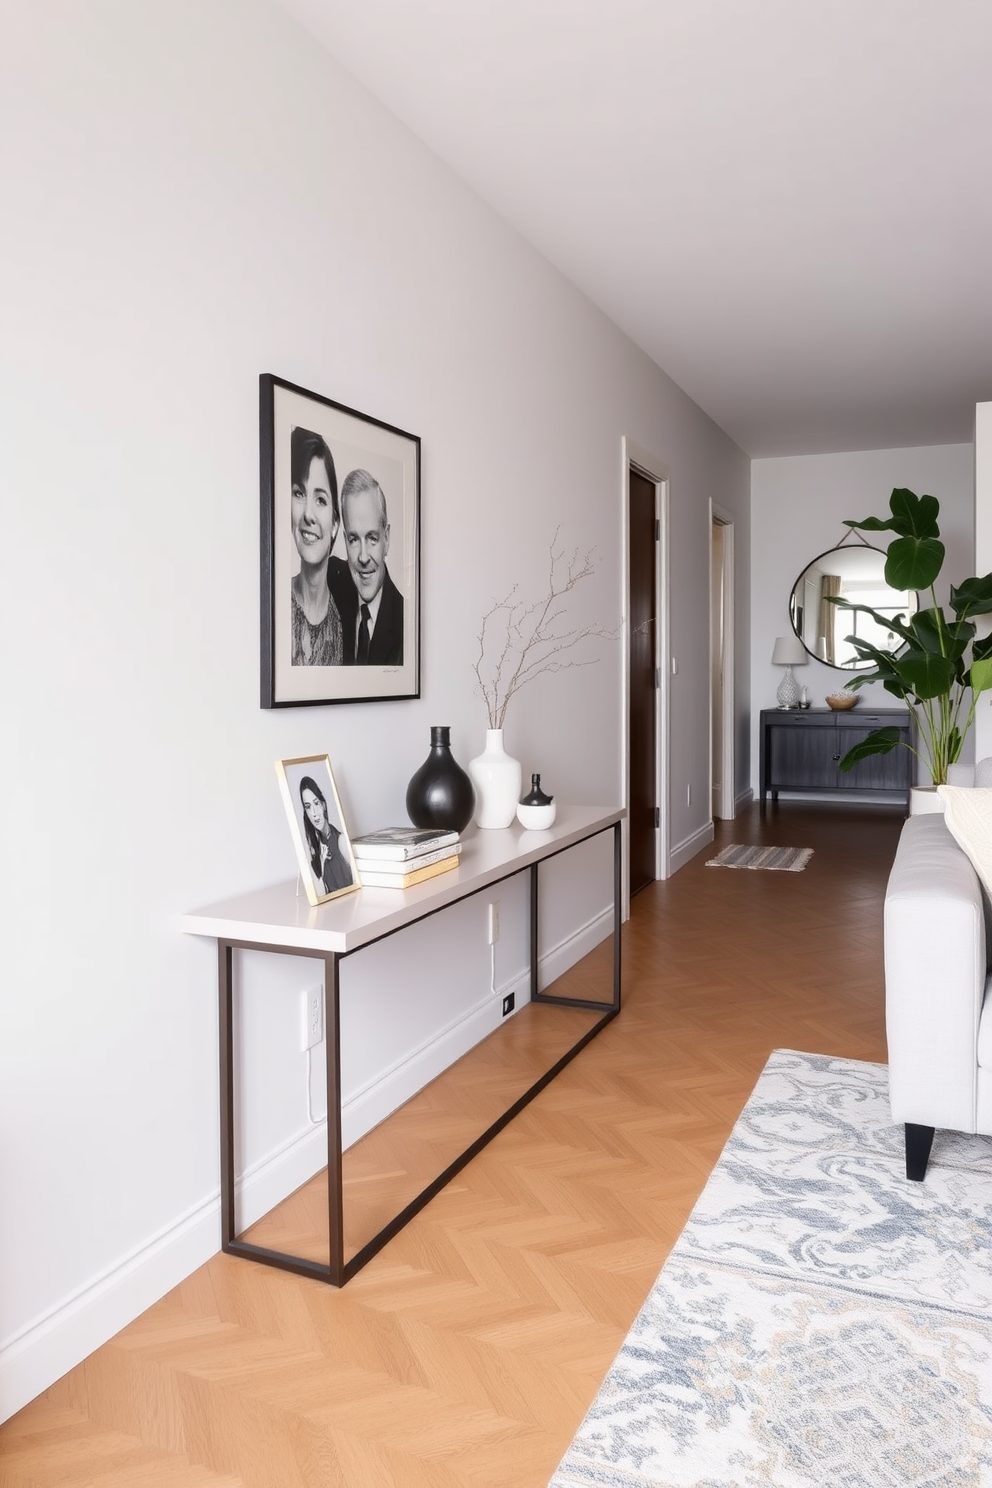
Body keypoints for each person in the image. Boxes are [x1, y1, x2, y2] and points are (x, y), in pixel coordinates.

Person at [290, 427, 352, 667]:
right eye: (298, 493)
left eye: (321, 500)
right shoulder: (274, 608)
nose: (308, 514)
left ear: (335, 523)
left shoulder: (347, 620)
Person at [339, 468, 404, 666]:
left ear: (387, 539)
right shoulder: (335, 588)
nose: (363, 556)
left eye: (372, 538)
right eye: (353, 539)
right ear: (344, 541)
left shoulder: (406, 623)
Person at [298, 775, 353, 893]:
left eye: (316, 803)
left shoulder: (341, 841)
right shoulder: (316, 853)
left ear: (323, 805)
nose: (314, 813)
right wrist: (322, 863)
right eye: (308, 807)